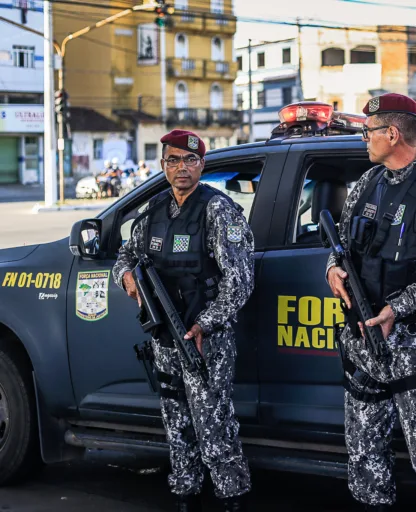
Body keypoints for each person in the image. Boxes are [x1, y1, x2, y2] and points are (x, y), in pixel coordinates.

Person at [326, 93, 416, 511]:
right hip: (362, 339)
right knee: (364, 452)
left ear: (392, 134)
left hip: (412, 346)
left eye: (369, 132)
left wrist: (396, 309)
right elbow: (341, 248)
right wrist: (333, 270)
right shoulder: (366, 184)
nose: (364, 141)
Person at [112, 130, 254, 512]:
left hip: (205, 339)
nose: (181, 168)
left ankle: (231, 497)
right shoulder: (154, 210)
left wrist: (206, 324)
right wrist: (125, 276)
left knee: (214, 425)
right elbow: (126, 256)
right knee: (175, 421)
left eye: (189, 160)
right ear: (163, 165)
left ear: (202, 166)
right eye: (173, 160)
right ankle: (185, 493)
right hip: (164, 338)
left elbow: (240, 282)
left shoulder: (219, 211)